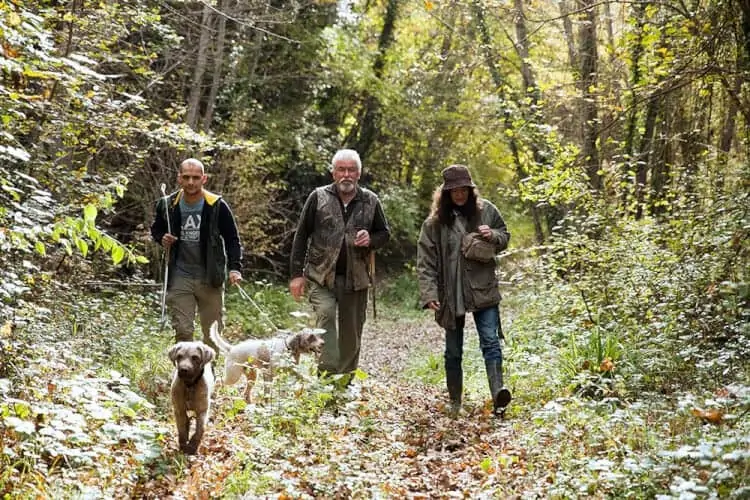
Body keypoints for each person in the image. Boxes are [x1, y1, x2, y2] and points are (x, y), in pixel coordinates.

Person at [416, 164, 511, 416]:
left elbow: (504, 236)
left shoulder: (487, 211)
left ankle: (498, 397)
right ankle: (455, 402)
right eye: (454, 191)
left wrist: (492, 235)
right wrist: (429, 294)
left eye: (463, 190)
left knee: (491, 342)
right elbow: (425, 261)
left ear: (471, 190)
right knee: (453, 350)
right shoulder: (434, 223)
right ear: (446, 193)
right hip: (450, 293)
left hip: (483, 289)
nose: (459, 195)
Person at [289, 149, 390, 375]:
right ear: (333, 173)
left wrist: (370, 239)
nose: (346, 174)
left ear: (359, 173)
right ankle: (327, 374)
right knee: (325, 315)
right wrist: (296, 274)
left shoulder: (371, 200)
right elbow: (301, 235)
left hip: (356, 279)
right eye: (341, 170)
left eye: (351, 170)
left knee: (351, 333)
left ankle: (344, 383)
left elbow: (384, 234)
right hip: (320, 275)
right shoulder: (318, 197)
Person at [151, 158, 243, 350]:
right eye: (186, 177)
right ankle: (185, 375)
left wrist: (235, 268)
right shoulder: (167, 205)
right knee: (183, 331)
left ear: (204, 179)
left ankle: (210, 376)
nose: (191, 182)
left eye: (195, 177)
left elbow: (232, 238)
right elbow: (156, 229)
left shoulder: (217, 205)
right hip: (180, 275)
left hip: (210, 276)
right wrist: (162, 238)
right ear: (179, 179)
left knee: (212, 333)